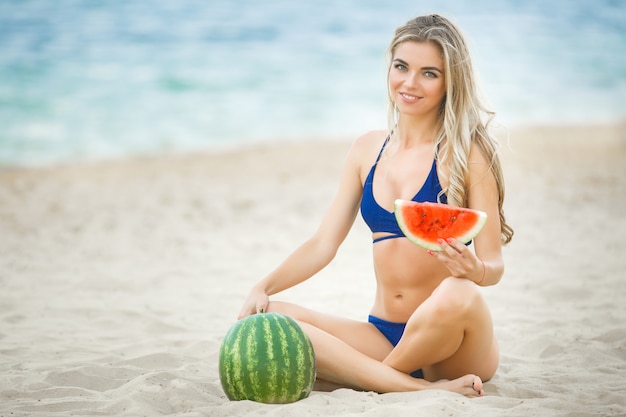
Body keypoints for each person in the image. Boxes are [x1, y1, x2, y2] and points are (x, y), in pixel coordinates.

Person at [238, 14, 514, 397]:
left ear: (451, 81)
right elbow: (323, 244)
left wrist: (476, 270)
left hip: (454, 343)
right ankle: (403, 383)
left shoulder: (469, 153)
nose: (409, 83)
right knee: (272, 317)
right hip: (383, 333)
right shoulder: (366, 150)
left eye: (429, 73)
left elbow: (494, 265)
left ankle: (376, 379)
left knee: (459, 291)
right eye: (401, 67)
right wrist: (263, 285)